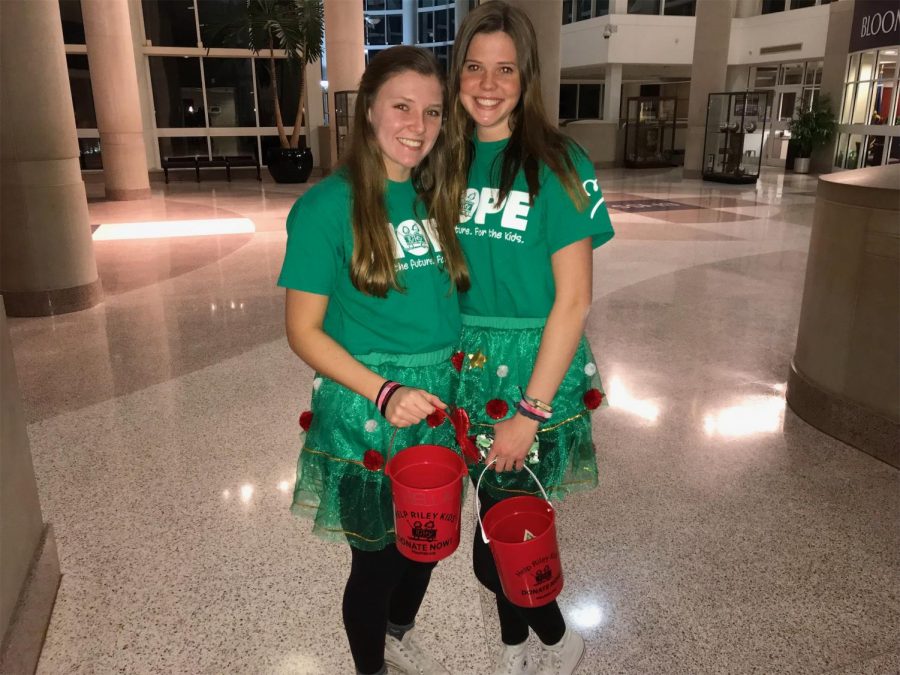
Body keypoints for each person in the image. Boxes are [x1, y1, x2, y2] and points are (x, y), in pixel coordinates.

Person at [278, 46, 468, 675]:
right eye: (403, 106)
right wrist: (385, 391)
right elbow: (303, 332)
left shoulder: (433, 193)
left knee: (429, 543)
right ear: (367, 113)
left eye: (434, 112)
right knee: (378, 558)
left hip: (439, 396)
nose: (419, 125)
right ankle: (372, 666)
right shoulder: (324, 209)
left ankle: (397, 628)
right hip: (369, 402)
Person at [445, 3, 615, 674]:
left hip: (531, 368)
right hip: (464, 367)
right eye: (474, 67)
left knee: (500, 542)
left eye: (505, 70)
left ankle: (557, 642)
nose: (487, 84)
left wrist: (530, 410)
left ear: (527, 76)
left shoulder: (557, 161)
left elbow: (573, 300)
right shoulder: (446, 160)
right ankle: (516, 649)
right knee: (495, 523)